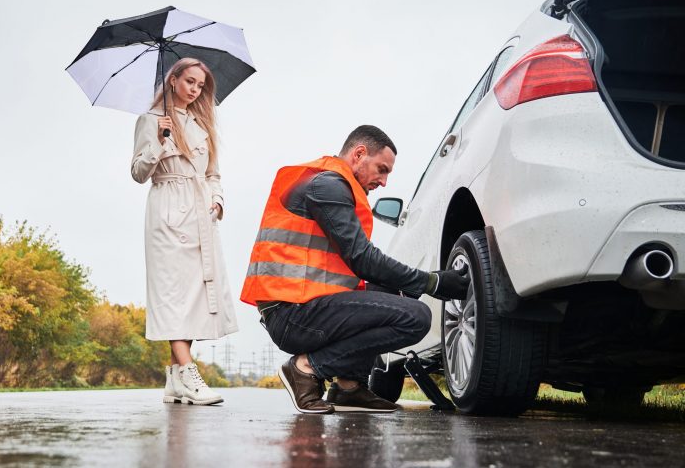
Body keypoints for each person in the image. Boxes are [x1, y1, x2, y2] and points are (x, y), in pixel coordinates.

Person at [240, 125, 470, 414]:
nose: (384, 182)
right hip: (292, 315)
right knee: (417, 318)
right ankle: (305, 368)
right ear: (359, 154)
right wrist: (433, 282)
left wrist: (414, 284)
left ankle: (349, 387)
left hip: (307, 306)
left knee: (391, 288)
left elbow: (367, 268)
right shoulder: (327, 186)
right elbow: (363, 259)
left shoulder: (332, 185)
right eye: (381, 169)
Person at [131, 57, 238, 405]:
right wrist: (160, 141)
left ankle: (176, 379)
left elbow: (213, 174)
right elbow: (137, 172)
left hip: (200, 213)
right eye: (189, 81)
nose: (194, 90)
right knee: (172, 294)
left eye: (200, 85)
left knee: (193, 296)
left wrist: (218, 203)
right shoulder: (150, 121)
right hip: (166, 211)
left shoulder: (202, 125)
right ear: (173, 80)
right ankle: (190, 375)